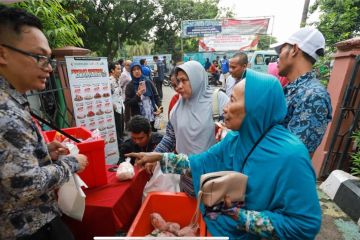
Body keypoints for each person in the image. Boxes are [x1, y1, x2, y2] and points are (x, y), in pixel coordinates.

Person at [128, 69, 321, 239]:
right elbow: (200, 162)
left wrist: (240, 216)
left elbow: (304, 225)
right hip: (227, 229)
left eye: (233, 100)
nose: (225, 107)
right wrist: (161, 158)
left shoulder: (291, 156)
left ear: (256, 107)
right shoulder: (236, 139)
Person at [0, 6, 88, 239]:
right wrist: (71, 163)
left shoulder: (11, 100)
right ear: (3, 54)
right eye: (39, 57)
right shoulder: (5, 112)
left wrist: (42, 151)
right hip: (29, 227)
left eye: (49, 59)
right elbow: (25, 183)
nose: (49, 67)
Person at [146, 61, 228, 195]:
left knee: (211, 213)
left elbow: (233, 139)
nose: (178, 86)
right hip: (186, 177)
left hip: (213, 176)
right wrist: (154, 155)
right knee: (190, 209)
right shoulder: (178, 106)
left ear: (197, 79)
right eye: (177, 81)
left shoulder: (219, 100)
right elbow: (170, 137)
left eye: (184, 80)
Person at [271, 27, 332, 154]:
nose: (277, 58)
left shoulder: (313, 96)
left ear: (294, 50)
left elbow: (292, 155)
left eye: (280, 51)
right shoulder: (291, 89)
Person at [124, 62, 161, 132]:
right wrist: (137, 95)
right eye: (134, 70)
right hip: (139, 120)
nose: (137, 71)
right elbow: (128, 103)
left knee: (153, 136)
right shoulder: (130, 86)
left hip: (152, 116)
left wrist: (160, 108)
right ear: (131, 72)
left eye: (138, 69)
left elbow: (156, 96)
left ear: (141, 70)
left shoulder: (148, 81)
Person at [108, 62, 124, 146]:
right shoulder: (109, 81)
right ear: (112, 70)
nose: (120, 70)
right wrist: (112, 105)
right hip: (115, 108)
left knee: (121, 126)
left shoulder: (118, 79)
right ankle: (119, 144)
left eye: (120, 68)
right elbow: (108, 95)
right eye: (118, 69)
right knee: (117, 127)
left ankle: (121, 141)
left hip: (120, 106)